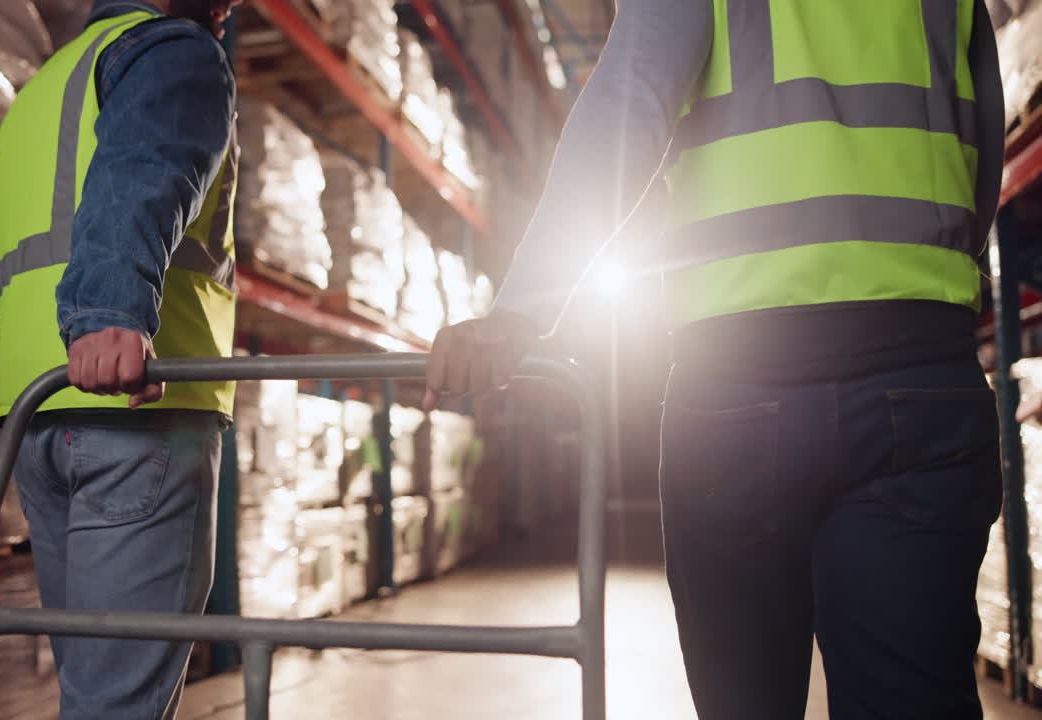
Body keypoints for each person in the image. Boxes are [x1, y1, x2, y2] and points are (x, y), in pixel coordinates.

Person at [425, 1, 1006, 717]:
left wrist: (520, 313)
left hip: (739, 390)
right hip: (918, 374)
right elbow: (980, 145)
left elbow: (628, 107)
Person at [0, 0, 241, 717]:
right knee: (118, 703)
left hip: (38, 419)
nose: (226, 7)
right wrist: (110, 315)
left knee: (92, 689)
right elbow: (143, 174)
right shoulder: (172, 52)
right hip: (140, 415)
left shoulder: (42, 87)